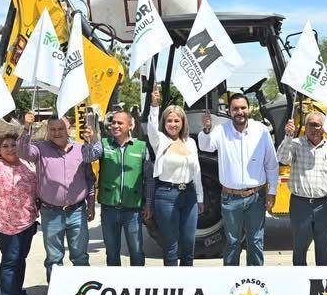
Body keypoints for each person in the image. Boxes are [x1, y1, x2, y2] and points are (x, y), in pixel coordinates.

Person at [198, 93, 279, 267]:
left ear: (249, 109)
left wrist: (272, 192)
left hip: (255, 197)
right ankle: (230, 281)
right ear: (229, 111)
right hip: (230, 199)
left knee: (255, 241)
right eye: (235, 109)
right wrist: (206, 129)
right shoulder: (220, 130)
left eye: (243, 108)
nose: (239, 112)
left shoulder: (261, 131)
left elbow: (271, 165)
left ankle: (256, 282)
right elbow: (205, 146)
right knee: (232, 242)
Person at [18, 111, 95, 280]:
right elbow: (23, 152)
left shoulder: (81, 149)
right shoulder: (39, 148)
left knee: (80, 256)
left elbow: (90, 179)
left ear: (69, 128)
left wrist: (91, 203)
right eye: (52, 129)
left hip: (77, 211)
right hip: (51, 212)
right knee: (54, 258)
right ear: (47, 130)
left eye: (61, 128)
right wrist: (26, 128)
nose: (57, 132)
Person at [84, 110, 152, 267]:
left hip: (132, 210)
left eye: (119, 123)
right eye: (113, 122)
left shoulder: (141, 147)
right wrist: (89, 141)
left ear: (130, 125)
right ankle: (115, 285)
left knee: (136, 251)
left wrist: (148, 203)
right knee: (112, 253)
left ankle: (137, 287)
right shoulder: (104, 144)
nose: (115, 125)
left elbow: (149, 179)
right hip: (109, 209)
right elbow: (88, 157)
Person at [145, 87, 204, 267]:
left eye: (176, 120)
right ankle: (172, 286)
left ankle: (186, 285)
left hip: (189, 195)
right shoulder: (160, 141)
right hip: (166, 195)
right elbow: (152, 129)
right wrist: (154, 106)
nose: (173, 124)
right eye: (169, 120)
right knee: (171, 247)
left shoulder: (191, 142)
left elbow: (197, 172)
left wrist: (200, 198)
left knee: (189, 245)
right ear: (164, 122)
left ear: (182, 122)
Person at [0, 127, 39, 295]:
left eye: (13, 145)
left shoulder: (27, 164)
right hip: (7, 225)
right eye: (5, 146)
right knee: (10, 261)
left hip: (28, 221)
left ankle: (18, 291)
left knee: (21, 260)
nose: (10, 148)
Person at [276, 112, 327, 266]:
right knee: (299, 247)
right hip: (300, 205)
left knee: (324, 249)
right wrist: (288, 136)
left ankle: (324, 285)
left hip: (324, 205)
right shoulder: (295, 144)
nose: (314, 128)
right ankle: (300, 284)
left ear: (323, 128)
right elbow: (282, 158)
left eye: (317, 124)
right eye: (310, 124)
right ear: (305, 127)